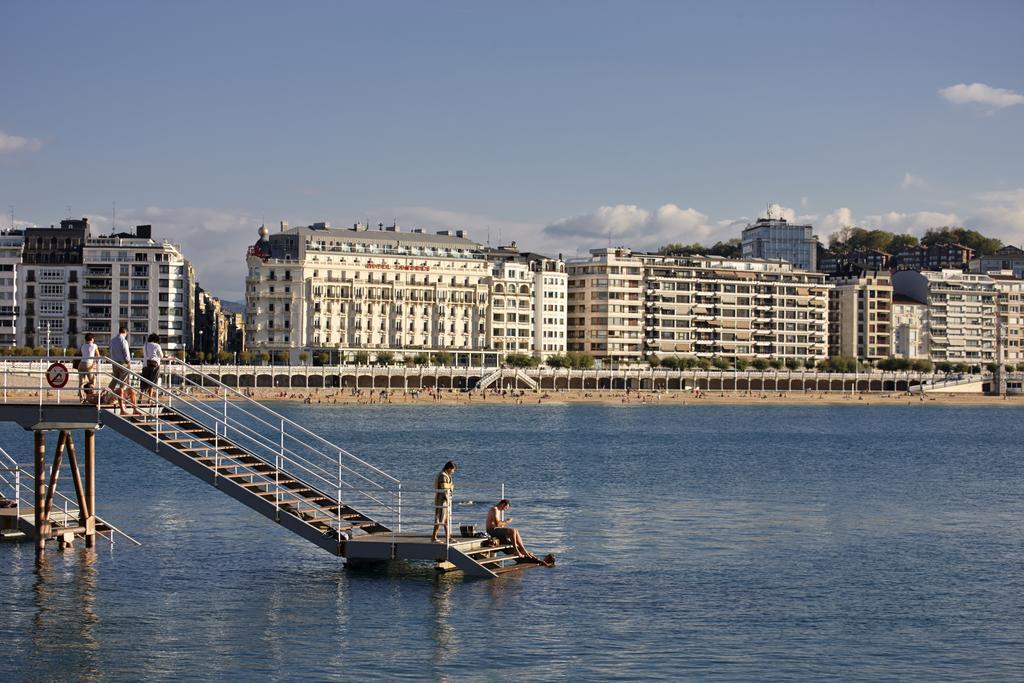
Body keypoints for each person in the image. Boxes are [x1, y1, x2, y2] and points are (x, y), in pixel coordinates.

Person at [485, 499, 550, 564]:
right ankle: (516, 550)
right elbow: (497, 524)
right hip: (491, 530)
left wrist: (504, 525)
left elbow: (498, 524)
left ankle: (523, 550)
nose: (505, 510)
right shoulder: (494, 509)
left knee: (516, 530)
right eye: (506, 508)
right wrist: (507, 521)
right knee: (512, 530)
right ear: (503, 504)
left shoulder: (498, 510)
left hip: (496, 529)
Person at [107, 326, 135, 414]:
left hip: (114, 362)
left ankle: (107, 396)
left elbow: (110, 352)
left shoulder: (112, 340)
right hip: (123, 363)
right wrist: (129, 363)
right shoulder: (124, 341)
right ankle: (122, 405)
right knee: (123, 384)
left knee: (114, 380)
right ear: (125, 332)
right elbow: (126, 354)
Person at [430, 461, 456, 544]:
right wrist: (448, 500)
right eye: (453, 470)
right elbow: (444, 489)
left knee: (446, 520)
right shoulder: (443, 476)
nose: (453, 472)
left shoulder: (447, 475)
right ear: (449, 468)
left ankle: (448, 537)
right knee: (439, 519)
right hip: (442, 501)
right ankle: (434, 537)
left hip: (446, 500)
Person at [141, 332, 163, 402]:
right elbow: (161, 356)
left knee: (144, 382)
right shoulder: (157, 345)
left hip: (145, 365)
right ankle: (149, 399)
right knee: (152, 382)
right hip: (154, 366)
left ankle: (140, 398)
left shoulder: (145, 345)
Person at [77, 333, 98, 400]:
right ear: (92, 339)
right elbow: (98, 355)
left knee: (81, 382)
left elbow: (81, 354)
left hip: (81, 364)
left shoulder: (82, 346)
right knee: (93, 380)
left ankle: (81, 396)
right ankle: (90, 396)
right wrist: (94, 363)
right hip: (88, 364)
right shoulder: (94, 345)